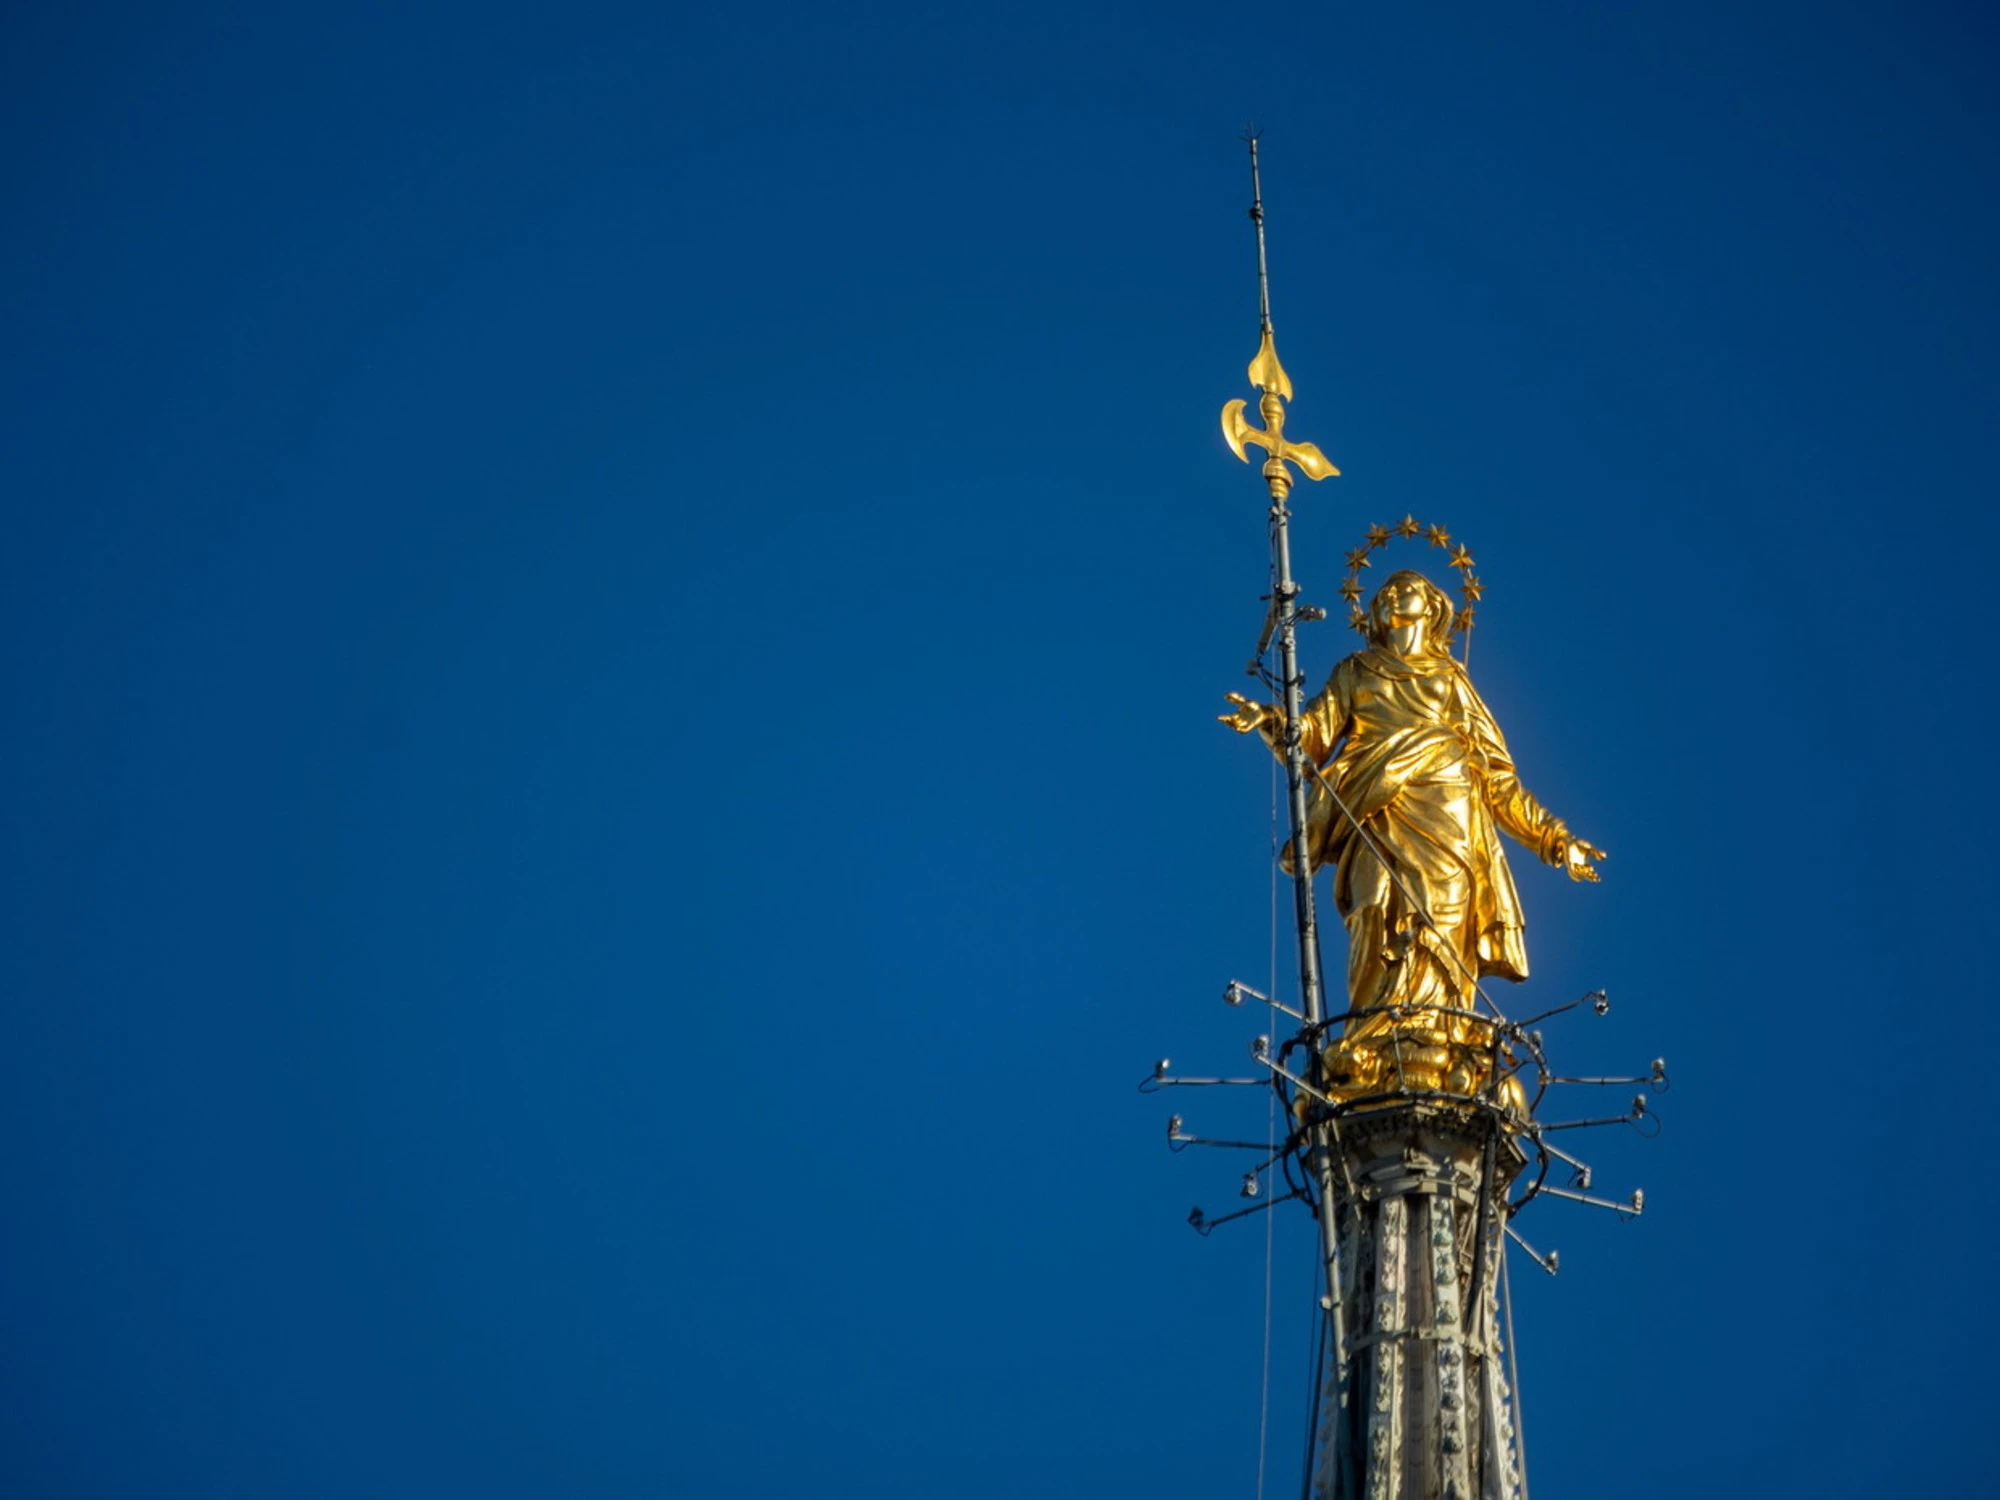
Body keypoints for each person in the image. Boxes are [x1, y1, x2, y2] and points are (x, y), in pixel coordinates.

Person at [1221, 570, 1604, 1037]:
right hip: (1371, 807)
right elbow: (1311, 740)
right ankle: (1371, 1032)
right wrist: (1268, 718)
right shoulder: (1355, 671)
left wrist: (1556, 839)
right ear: (1375, 612)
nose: (1394, 593)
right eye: (1386, 591)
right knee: (1372, 910)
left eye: (1408, 589)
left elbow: (1499, 780)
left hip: (1447, 814)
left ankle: (1439, 1030)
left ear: (1433, 607)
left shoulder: (1450, 679)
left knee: (1440, 920)